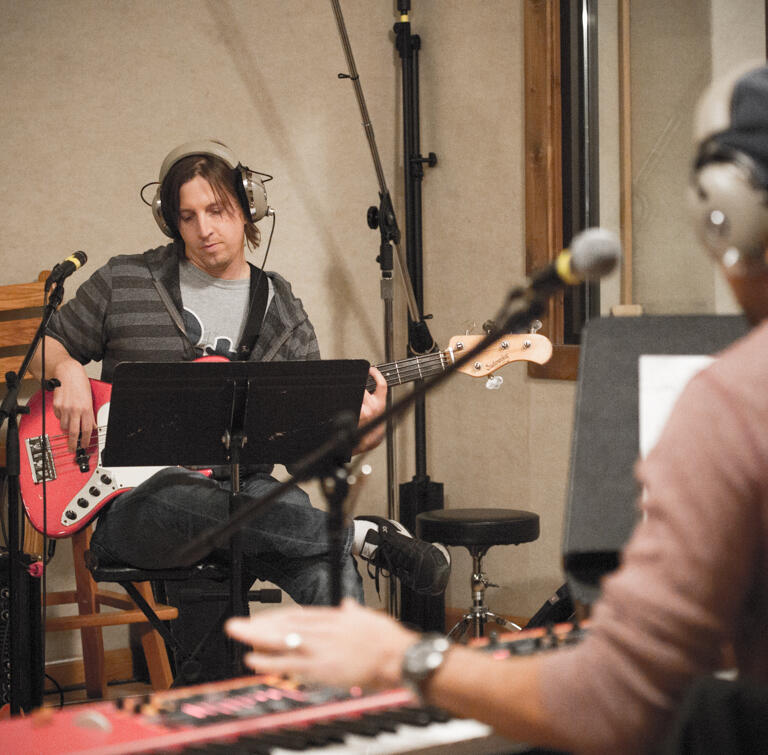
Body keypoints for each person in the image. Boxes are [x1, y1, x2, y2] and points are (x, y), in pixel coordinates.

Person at [227, 63, 768, 753]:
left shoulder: (734, 399)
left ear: (725, 214)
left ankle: (350, 546)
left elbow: (614, 705)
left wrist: (403, 657)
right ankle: (356, 538)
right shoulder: (129, 282)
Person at [30, 138, 450, 611]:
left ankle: (344, 682)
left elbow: (302, 454)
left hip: (249, 489)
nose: (204, 229)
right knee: (181, 496)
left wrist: (359, 435)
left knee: (321, 559)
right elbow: (43, 346)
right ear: (171, 221)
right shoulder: (124, 280)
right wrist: (65, 368)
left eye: (217, 210)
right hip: (138, 504)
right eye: (187, 217)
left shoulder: (282, 308)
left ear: (248, 207)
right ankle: (359, 535)